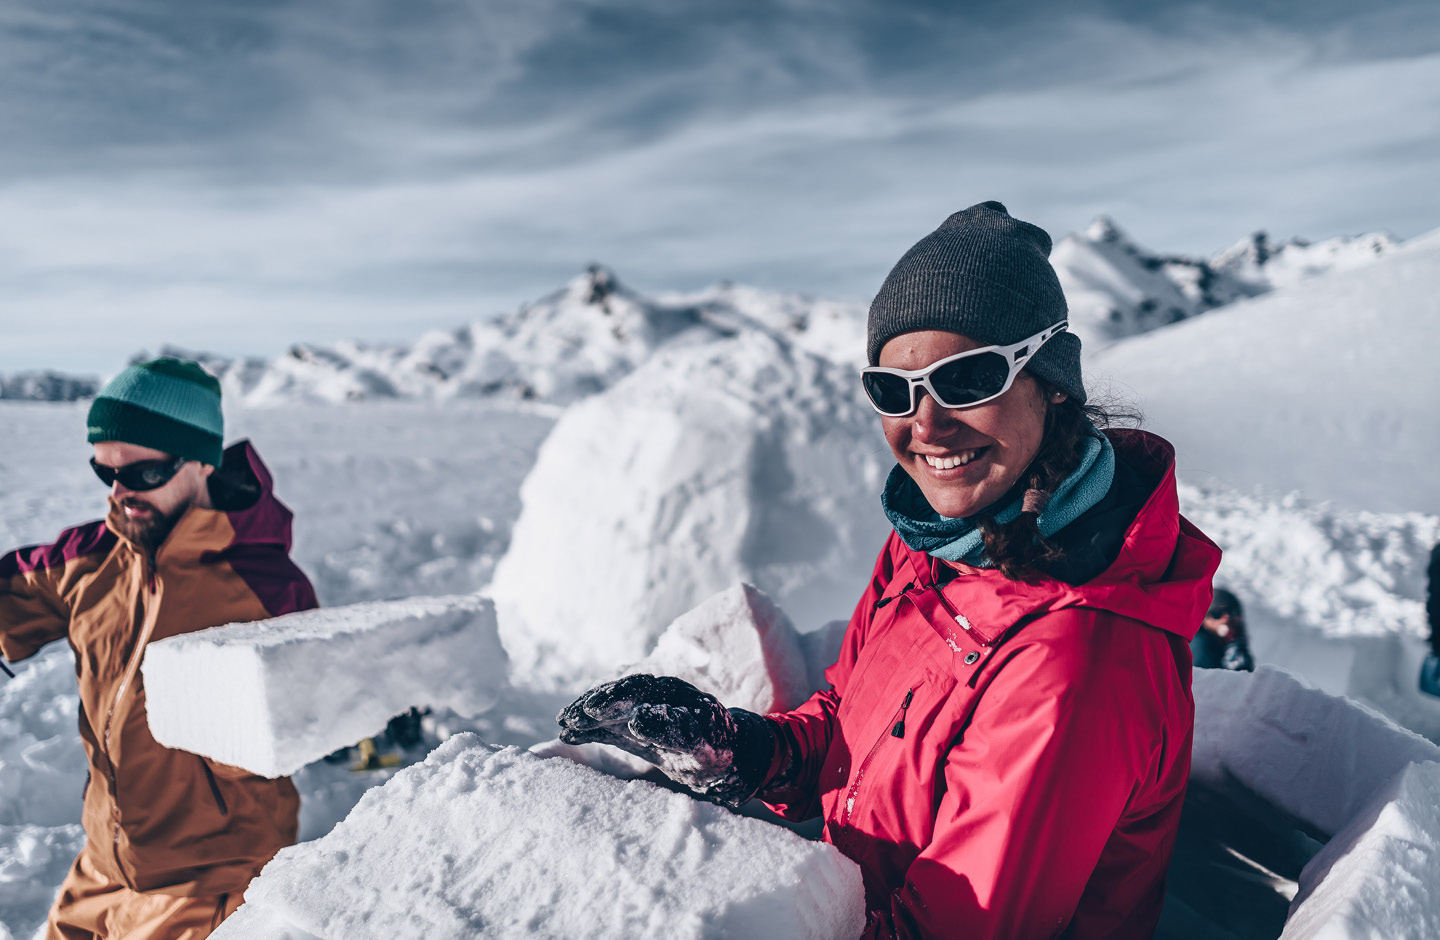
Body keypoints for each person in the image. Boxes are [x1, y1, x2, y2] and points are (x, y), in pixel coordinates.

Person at [558, 202, 1221, 939]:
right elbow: (846, 723)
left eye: (968, 379)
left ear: (1051, 382)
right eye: (894, 390)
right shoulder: (936, 544)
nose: (927, 426)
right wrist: (739, 750)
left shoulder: (1073, 665)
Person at [0, 358, 318, 940]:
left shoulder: (265, 586)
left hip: (210, 882)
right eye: (106, 474)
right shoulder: (89, 558)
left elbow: (308, 717)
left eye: (143, 473)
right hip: (101, 868)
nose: (120, 493)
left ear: (201, 461)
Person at [1191, 587, 1255, 672]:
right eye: (1216, 614)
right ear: (1204, 620)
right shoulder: (1200, 648)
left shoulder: (1235, 647)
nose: (1226, 619)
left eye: (1232, 611)